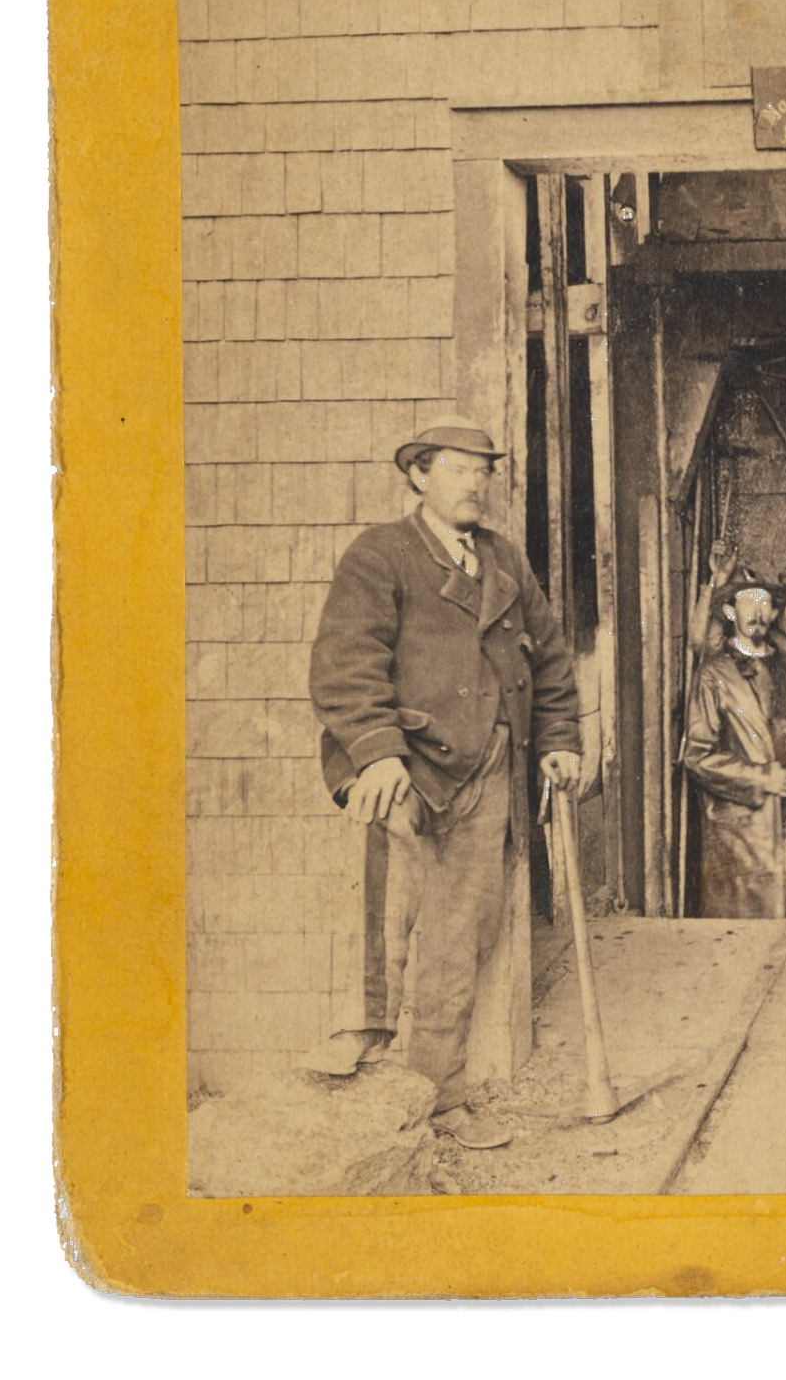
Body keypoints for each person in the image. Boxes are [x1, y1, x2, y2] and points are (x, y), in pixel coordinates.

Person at [306, 421, 583, 1149]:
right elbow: (346, 662)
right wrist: (375, 753)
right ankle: (359, 1040)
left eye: (483, 471)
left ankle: (440, 1093)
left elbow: (550, 660)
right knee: (385, 906)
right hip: (403, 762)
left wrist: (558, 740)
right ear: (420, 476)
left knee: (462, 933)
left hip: (488, 763)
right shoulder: (381, 553)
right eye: (459, 469)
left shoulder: (504, 561)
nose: (474, 483)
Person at [682, 566, 786, 918]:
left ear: (774, 613)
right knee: (746, 942)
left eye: (765, 603)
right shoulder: (713, 676)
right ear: (731, 612)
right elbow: (696, 756)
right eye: (748, 602)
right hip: (743, 836)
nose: (757, 612)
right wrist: (761, 777)